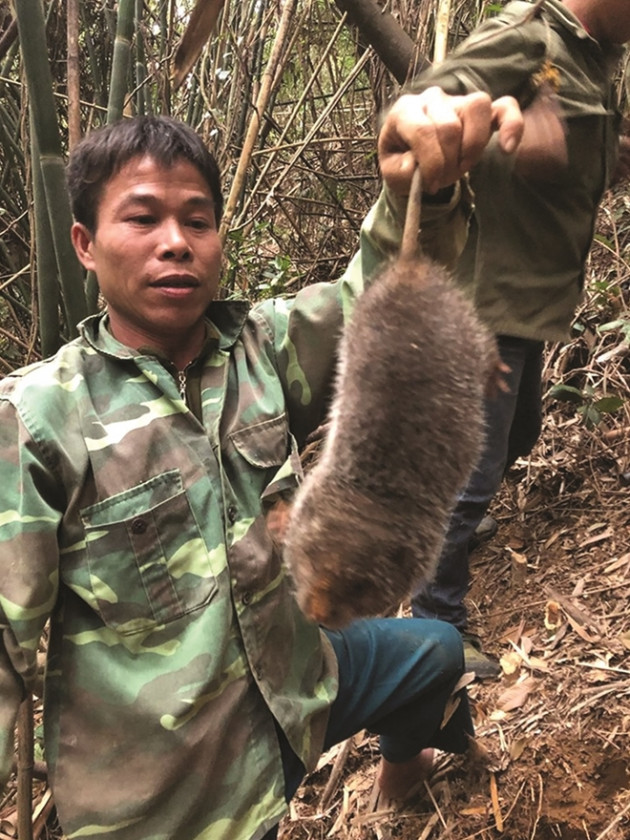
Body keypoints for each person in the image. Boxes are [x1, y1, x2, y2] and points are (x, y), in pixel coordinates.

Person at [0, 94, 523, 839]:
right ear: (84, 243)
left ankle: (404, 771)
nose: (176, 242)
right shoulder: (35, 419)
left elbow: (380, 291)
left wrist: (422, 186)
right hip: (173, 796)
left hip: (296, 687)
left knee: (437, 652)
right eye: (143, 218)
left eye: (198, 220)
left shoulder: (263, 350)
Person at [397, 0, 630, 679]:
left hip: (533, 301)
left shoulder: (595, 56)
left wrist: (601, 154)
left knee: (519, 434)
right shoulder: (526, 37)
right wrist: (491, 131)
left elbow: (578, 144)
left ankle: (454, 526)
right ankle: (436, 627)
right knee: (470, 475)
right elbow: (421, 114)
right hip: (484, 300)